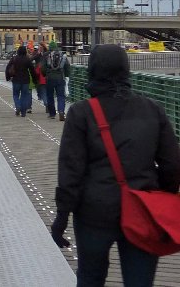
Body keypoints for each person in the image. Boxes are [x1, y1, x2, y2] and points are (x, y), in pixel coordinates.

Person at [52, 44, 180, 286]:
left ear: (93, 70)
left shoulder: (81, 113)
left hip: (94, 210)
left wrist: (62, 216)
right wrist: (160, 197)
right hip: (142, 207)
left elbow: (71, 171)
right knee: (140, 281)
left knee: (90, 276)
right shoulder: (153, 109)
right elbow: (172, 164)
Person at [43, 42, 71, 120]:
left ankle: (52, 114)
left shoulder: (47, 56)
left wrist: (45, 74)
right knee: (61, 96)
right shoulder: (62, 56)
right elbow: (67, 67)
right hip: (60, 78)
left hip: (49, 78)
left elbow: (43, 68)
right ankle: (61, 111)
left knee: (50, 96)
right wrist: (66, 75)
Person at [4, 46, 34, 116]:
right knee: (24, 96)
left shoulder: (14, 58)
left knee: (15, 95)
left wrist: (8, 77)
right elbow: (32, 70)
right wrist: (35, 79)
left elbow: (8, 68)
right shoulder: (27, 59)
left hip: (16, 79)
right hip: (25, 80)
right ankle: (23, 112)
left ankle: (18, 106)